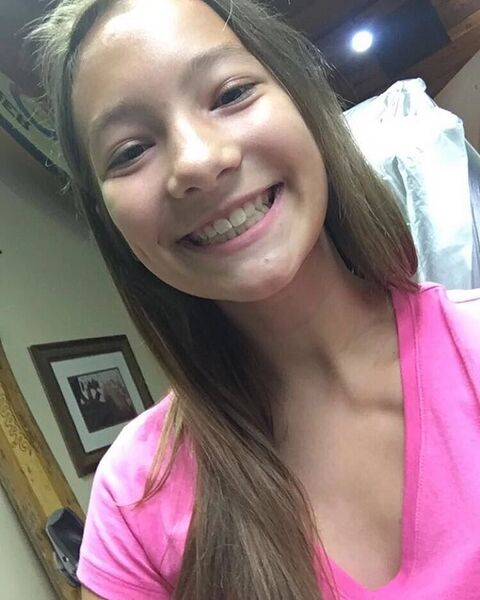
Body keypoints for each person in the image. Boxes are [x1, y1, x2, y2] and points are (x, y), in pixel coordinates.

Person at [29, 0, 480, 599]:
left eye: (231, 93)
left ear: (302, 103)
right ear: (111, 223)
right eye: (131, 150)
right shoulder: (134, 500)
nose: (198, 161)